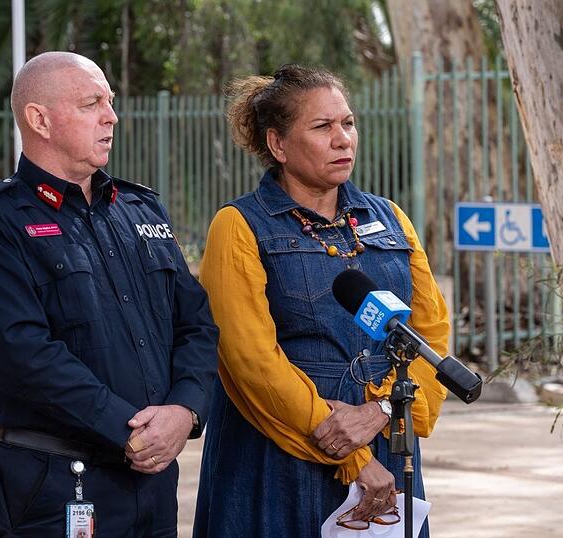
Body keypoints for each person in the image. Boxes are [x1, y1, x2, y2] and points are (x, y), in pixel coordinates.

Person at [0, 51, 218, 537]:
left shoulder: (140, 209)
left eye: (110, 102)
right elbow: (23, 355)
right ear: (39, 120)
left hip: (152, 484)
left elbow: (196, 323)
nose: (111, 116)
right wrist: (130, 430)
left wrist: (186, 409)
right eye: (92, 103)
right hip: (55, 483)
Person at [193, 64, 450, 537]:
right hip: (281, 456)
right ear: (278, 145)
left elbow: (430, 334)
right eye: (322, 127)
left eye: (348, 123)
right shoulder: (238, 226)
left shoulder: (391, 219)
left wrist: (380, 412)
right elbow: (251, 362)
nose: (343, 139)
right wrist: (352, 456)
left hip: (386, 443)